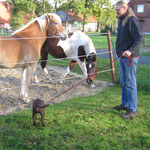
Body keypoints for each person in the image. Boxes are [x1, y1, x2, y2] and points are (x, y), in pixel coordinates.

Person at [113, 0, 144, 119]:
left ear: (124, 8)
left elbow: (140, 37)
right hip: (122, 56)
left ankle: (132, 110)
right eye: (115, 10)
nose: (116, 12)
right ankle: (125, 105)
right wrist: (119, 52)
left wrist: (130, 51)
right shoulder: (121, 20)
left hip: (130, 57)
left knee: (130, 83)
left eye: (118, 10)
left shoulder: (132, 20)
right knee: (124, 82)